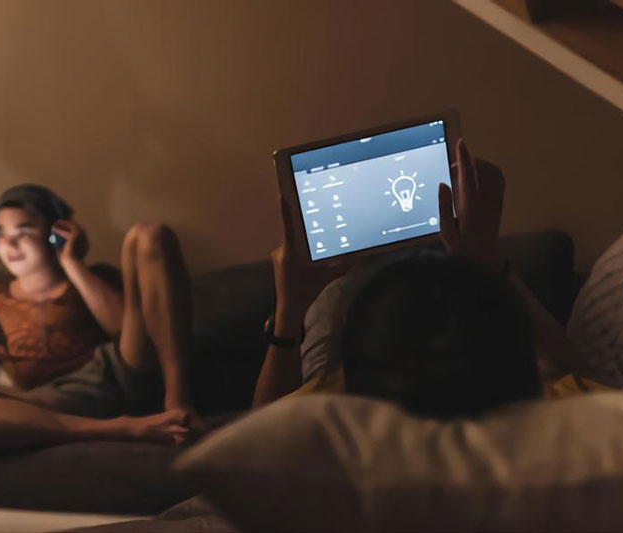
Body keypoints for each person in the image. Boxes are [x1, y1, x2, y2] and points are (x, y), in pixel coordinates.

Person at [253, 139, 601, 415]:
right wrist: (490, 264)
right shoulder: (547, 403)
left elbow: (260, 440)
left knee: (334, 296)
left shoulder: (334, 419)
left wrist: (289, 313)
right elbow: (582, 378)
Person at [0, 185, 205, 450]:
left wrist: (72, 264)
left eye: (24, 232)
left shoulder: (92, 278)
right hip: (44, 401)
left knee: (149, 235)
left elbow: (123, 330)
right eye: (1, 234)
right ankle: (123, 429)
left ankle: (179, 403)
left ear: (55, 234)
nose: (10, 245)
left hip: (111, 376)